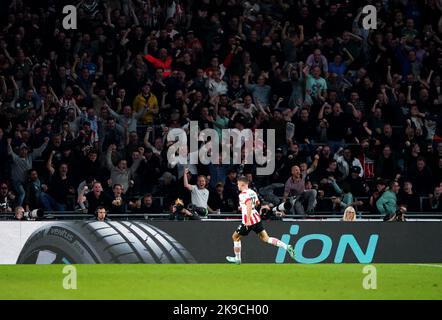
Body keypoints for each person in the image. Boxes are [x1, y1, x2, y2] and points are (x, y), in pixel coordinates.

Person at [226, 176, 295, 264]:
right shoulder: (253, 192)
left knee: (235, 237)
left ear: (242, 184)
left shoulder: (242, 194)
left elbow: (249, 204)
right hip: (256, 218)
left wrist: (247, 221)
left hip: (249, 220)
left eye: (238, 184)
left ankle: (237, 259)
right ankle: (286, 246)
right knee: (266, 238)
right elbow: (257, 204)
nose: (237, 186)